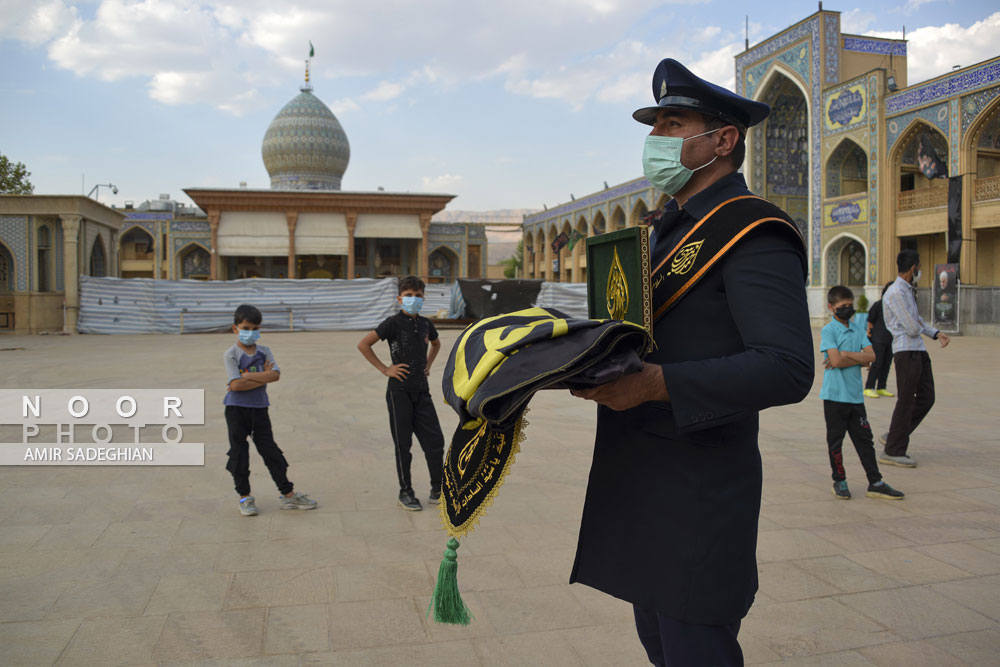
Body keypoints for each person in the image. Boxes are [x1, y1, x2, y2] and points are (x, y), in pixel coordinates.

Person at [568, 58, 814, 666]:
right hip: (644, 474)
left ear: (722, 140)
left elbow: (787, 367)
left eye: (672, 123)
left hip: (699, 488)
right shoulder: (667, 232)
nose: (655, 140)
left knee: (694, 647)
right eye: (653, 127)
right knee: (659, 642)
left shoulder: (753, 231)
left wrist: (656, 385)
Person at [357, 276, 445, 511]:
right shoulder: (393, 323)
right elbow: (364, 344)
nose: (413, 300)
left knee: (435, 441)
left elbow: (436, 344)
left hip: (421, 391)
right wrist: (385, 368)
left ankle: (438, 488)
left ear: (423, 298)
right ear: (399, 299)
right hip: (399, 392)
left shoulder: (426, 324)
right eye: (408, 296)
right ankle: (405, 491)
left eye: (417, 295)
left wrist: (428, 364)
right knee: (403, 445)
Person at [224, 304, 317, 516]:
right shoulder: (230, 354)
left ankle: (288, 494)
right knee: (239, 453)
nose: (250, 332)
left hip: (259, 408)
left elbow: (275, 375)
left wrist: (246, 376)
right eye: (245, 327)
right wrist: (260, 377)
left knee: (270, 451)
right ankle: (244, 496)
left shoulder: (264, 351)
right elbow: (235, 386)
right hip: (236, 409)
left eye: (255, 328)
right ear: (235, 328)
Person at [821, 286, 904, 501]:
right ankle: (839, 480)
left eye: (850, 306)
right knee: (835, 442)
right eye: (842, 307)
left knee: (865, 440)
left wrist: (847, 354)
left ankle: (875, 482)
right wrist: (858, 358)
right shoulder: (828, 331)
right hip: (834, 397)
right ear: (831, 308)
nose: (847, 310)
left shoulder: (857, 328)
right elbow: (837, 360)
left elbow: (872, 357)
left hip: (855, 398)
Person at [879, 249, 950, 468]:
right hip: (906, 351)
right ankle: (893, 449)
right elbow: (910, 326)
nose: (919, 271)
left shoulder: (907, 290)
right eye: (918, 268)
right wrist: (920, 328)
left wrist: (935, 333)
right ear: (913, 268)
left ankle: (895, 433)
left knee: (927, 397)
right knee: (906, 400)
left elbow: (916, 320)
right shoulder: (896, 292)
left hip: (917, 350)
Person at [864, 282, 896, 398]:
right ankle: (869, 387)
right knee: (877, 363)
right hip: (878, 339)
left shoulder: (896, 306)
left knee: (887, 364)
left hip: (891, 339)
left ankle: (882, 387)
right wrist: (869, 333)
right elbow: (870, 320)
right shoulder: (878, 305)